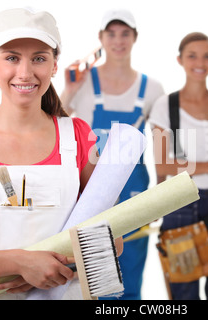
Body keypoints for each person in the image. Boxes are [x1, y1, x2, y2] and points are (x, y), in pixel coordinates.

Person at [0, 7, 123, 300]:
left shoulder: (78, 137)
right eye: (12, 58)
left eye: (39, 59)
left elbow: (114, 237)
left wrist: (46, 269)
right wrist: (22, 263)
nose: (25, 72)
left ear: (55, 66)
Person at [60, 9, 164, 300]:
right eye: (112, 33)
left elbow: (163, 147)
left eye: (125, 33)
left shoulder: (153, 89)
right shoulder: (83, 83)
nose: (118, 41)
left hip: (135, 196)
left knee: (130, 275)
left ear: (135, 38)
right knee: (93, 277)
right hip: (92, 196)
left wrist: (161, 199)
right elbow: (54, 124)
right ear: (100, 39)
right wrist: (68, 90)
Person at [149, 32, 208, 300]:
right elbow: (163, 163)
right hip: (180, 205)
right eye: (192, 55)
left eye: (206, 55)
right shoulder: (166, 105)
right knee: (183, 291)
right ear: (180, 60)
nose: (200, 62)